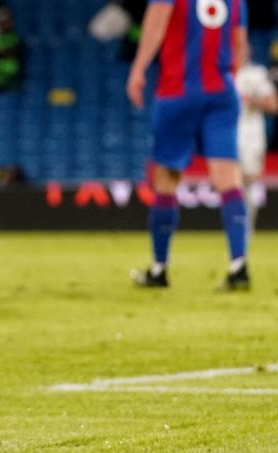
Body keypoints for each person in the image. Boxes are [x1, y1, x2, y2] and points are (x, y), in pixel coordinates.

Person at [127, 0, 250, 290]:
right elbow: (240, 43)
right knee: (228, 178)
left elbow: (157, 22)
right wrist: (233, 77)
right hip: (222, 93)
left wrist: (138, 68)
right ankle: (239, 265)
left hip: (178, 91)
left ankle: (159, 269)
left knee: (167, 177)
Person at [235, 46, 278, 234]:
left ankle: (246, 229)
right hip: (224, 134)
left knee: (247, 182)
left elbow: (273, 105)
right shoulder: (219, 73)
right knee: (229, 183)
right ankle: (235, 229)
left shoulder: (255, 74)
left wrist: (250, 101)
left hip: (250, 136)